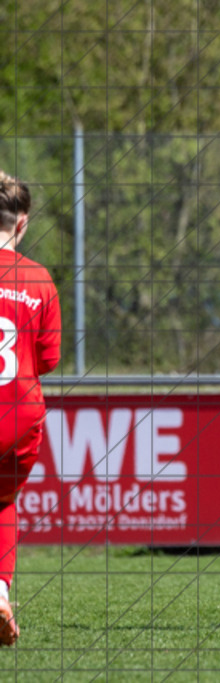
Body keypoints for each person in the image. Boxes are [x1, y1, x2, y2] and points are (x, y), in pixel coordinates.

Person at [0, 171, 61, 646]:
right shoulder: (38, 278)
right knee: (2, 500)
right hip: (20, 412)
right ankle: (0, 589)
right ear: (22, 224)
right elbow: (48, 360)